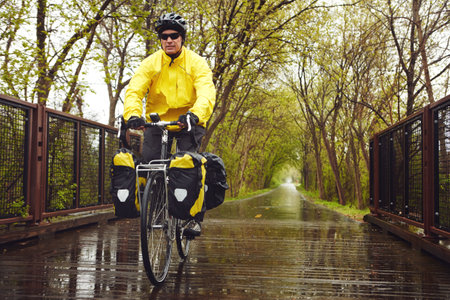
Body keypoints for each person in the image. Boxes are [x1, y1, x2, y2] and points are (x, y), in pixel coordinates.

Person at [123, 12, 216, 236]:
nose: (169, 40)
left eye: (174, 35)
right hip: (158, 122)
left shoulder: (196, 63)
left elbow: (206, 91)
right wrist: (133, 115)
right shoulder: (151, 63)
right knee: (150, 163)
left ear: (182, 38)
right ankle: (156, 205)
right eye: (164, 36)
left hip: (188, 122)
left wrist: (194, 114)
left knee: (189, 167)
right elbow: (134, 91)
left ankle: (193, 219)